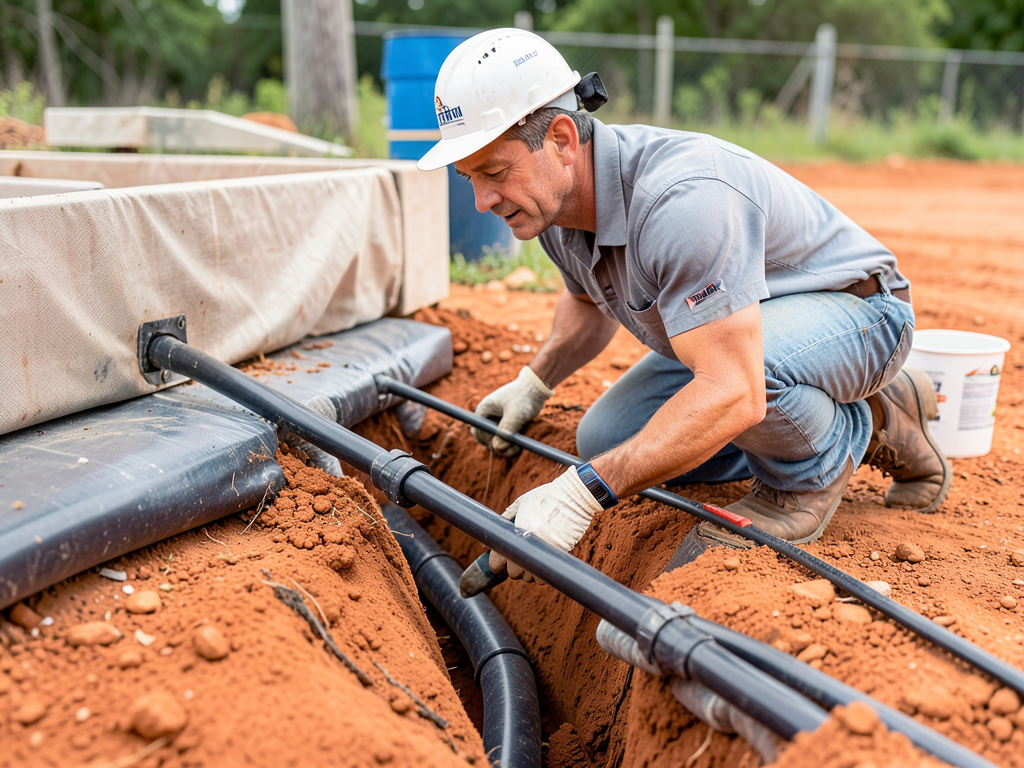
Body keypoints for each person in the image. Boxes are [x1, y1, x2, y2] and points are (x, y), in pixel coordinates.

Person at [416, 28, 951, 581]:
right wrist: (535, 382)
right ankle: (883, 408)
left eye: (495, 173)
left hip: (863, 312)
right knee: (606, 439)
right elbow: (586, 303)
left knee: (740, 381)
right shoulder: (551, 206)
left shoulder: (681, 201)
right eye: (470, 178)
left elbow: (733, 391)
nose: (482, 201)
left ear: (561, 138)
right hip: (756, 325)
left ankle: (813, 467)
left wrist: (581, 495)